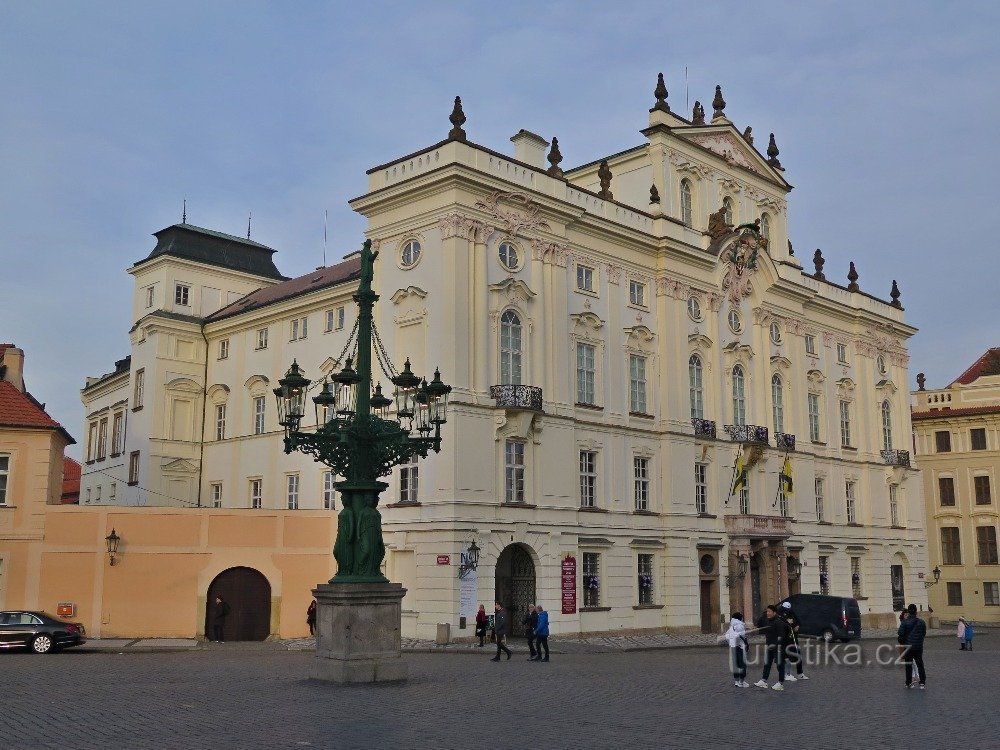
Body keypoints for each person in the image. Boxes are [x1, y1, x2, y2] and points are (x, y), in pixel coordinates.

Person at [754, 605, 791, 691]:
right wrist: (763, 615)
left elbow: (782, 636)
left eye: (769, 611)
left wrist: (779, 646)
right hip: (769, 645)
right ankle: (764, 680)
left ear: (774, 613)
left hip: (778, 647)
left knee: (779, 665)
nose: (768, 613)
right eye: (767, 611)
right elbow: (759, 625)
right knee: (767, 664)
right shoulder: (767, 620)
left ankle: (780, 683)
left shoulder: (779, 622)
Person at [897, 603, 927, 689]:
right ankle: (922, 682)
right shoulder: (921, 622)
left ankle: (909, 682)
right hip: (918, 646)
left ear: (909, 612)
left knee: (908, 665)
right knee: (920, 664)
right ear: (916, 611)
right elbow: (923, 634)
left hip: (908, 646)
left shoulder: (905, 622)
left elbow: (900, 633)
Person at [779, 601, 808, 681]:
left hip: (793, 637)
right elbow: (781, 624)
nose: (787, 611)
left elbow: (798, 621)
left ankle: (800, 673)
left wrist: (797, 626)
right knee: (787, 656)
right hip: (785, 638)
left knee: (798, 655)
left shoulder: (791, 613)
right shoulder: (780, 615)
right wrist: (787, 623)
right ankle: (787, 674)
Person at [723, 611, 750, 687]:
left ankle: (736, 681)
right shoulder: (740, 625)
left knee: (736, 664)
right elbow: (741, 636)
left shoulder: (732, 626)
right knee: (742, 664)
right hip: (740, 647)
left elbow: (727, 636)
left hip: (733, 647)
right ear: (740, 618)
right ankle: (742, 682)